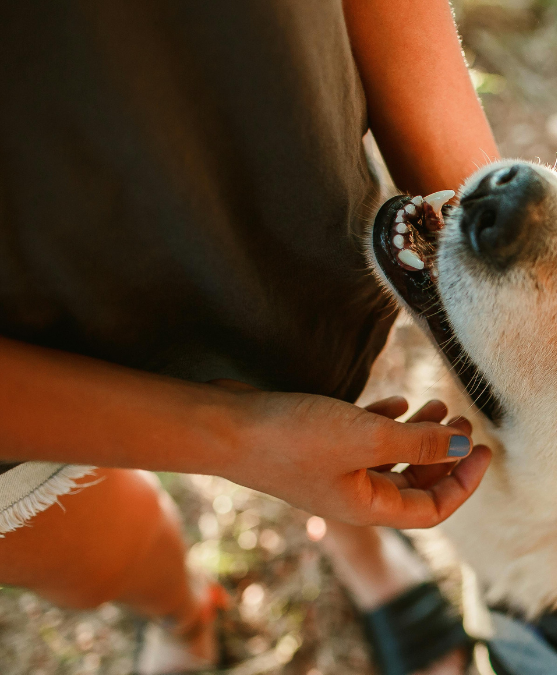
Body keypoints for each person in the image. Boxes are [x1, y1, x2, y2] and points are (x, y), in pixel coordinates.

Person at [0, 1, 497, 673]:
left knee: (334, 390)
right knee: (82, 560)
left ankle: (360, 544)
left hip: (232, 141)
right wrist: (234, 435)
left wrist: (488, 238)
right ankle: (179, 607)